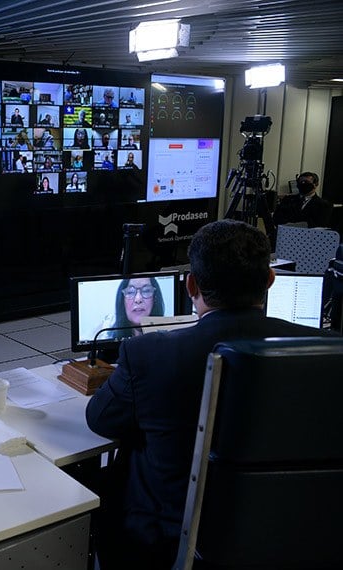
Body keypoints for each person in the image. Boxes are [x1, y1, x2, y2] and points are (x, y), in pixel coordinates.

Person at [86, 220, 334, 569]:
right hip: (287, 537)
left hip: (167, 543)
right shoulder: (325, 352)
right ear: (269, 281)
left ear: (191, 285)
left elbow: (100, 419)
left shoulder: (149, 354)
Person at [97, 276, 165, 340]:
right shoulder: (106, 332)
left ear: (155, 298)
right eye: (130, 292)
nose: (138, 299)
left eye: (146, 291)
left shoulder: (168, 336)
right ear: (122, 300)